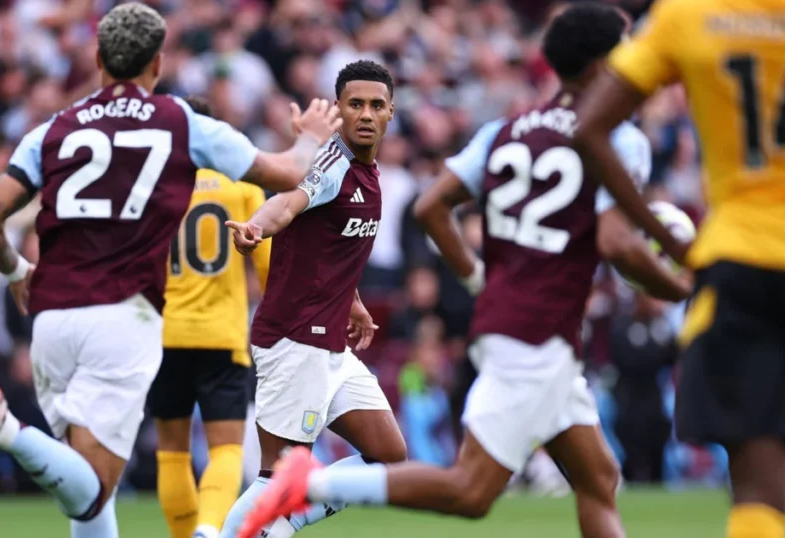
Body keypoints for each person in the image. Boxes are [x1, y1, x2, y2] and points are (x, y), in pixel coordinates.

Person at [236, 6, 690, 538]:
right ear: (601, 64)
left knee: (598, 477)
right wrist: (691, 277)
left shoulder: (505, 131)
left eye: (376, 105)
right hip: (524, 333)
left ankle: (289, 499)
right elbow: (289, 201)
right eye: (625, 51)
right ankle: (307, 490)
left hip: (514, 328)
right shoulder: (619, 136)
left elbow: (431, 207)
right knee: (471, 491)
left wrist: (475, 280)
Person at [0, 4, 342, 538]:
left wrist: (17, 272)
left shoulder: (52, 129)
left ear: (99, 59)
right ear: (157, 64)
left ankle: (10, 429)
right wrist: (311, 135)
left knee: (86, 491)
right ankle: (6, 428)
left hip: (52, 319)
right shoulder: (179, 121)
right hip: (123, 318)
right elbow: (288, 170)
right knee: (94, 488)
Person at [572, 1, 785, 537]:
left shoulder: (690, 14)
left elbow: (588, 127)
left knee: (756, 474)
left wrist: (654, 226)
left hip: (738, 257)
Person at [220, 60, 407, 538]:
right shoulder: (331, 163)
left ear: (391, 112)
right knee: (275, 480)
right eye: (355, 105)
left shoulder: (369, 171)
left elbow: (331, 245)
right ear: (340, 111)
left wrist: (354, 301)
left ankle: (286, 522)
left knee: (388, 456)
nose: (366, 114)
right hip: (294, 340)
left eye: (376, 105)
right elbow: (286, 202)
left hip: (330, 346)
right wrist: (256, 228)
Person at [150, 96, 272, 538]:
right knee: (225, 448)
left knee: (172, 453)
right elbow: (270, 272)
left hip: (164, 335)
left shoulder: (154, 189)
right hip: (222, 336)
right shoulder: (242, 188)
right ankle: (208, 527)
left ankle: (184, 536)